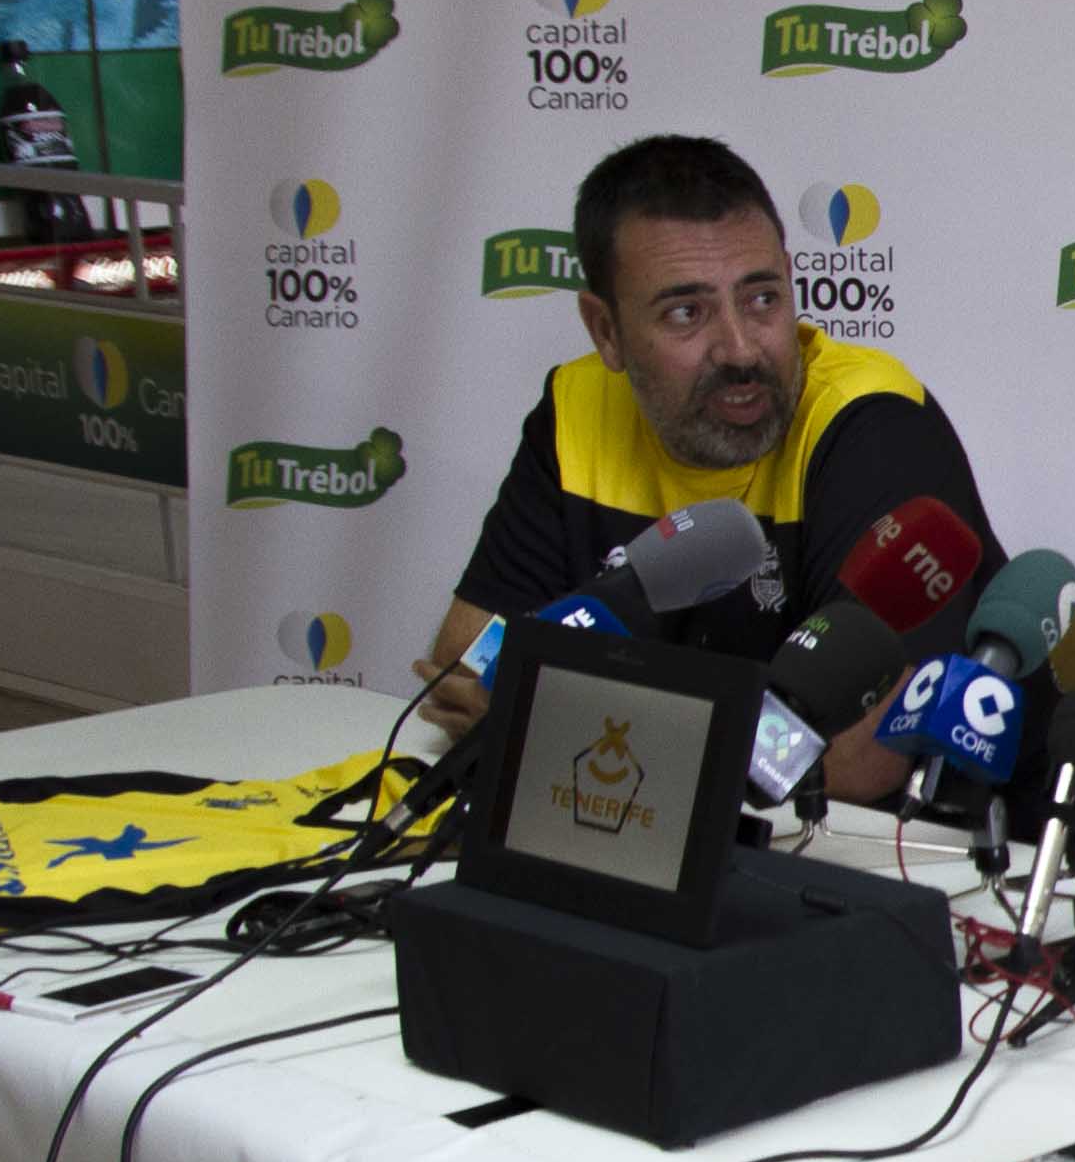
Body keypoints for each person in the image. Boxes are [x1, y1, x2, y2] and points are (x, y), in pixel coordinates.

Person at [419, 135, 998, 806]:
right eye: (686, 313)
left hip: (921, 844)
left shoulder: (872, 426)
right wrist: (659, 735)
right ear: (605, 330)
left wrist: (570, 723)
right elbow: (468, 665)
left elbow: (859, 757)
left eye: (762, 298)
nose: (741, 349)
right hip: (651, 821)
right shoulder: (577, 408)